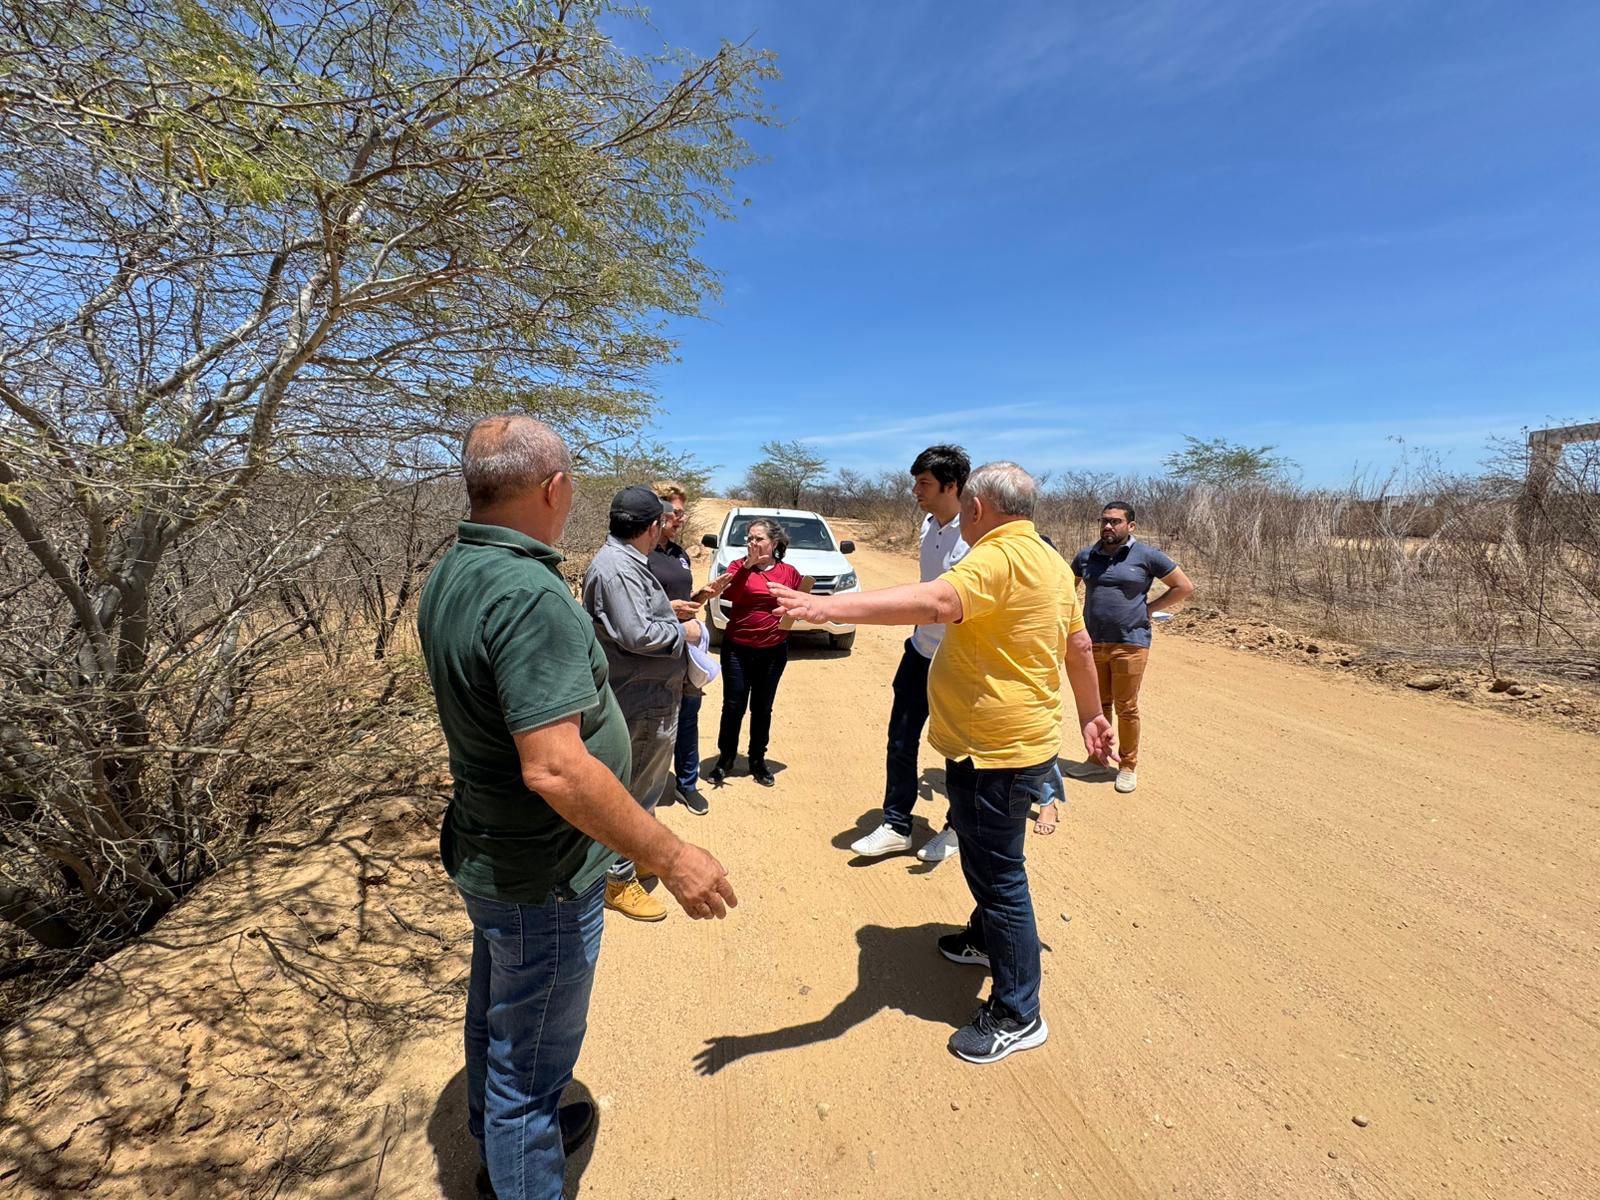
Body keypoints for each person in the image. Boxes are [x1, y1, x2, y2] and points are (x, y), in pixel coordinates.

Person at [417, 415, 737, 1200]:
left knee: (498, 1012)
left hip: (493, 852)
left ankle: (495, 1144)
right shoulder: (528, 593)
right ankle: (519, 1162)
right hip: (546, 870)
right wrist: (672, 855)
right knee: (531, 1071)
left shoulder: (455, 568)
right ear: (556, 488)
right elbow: (557, 769)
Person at [770, 462, 1115, 1065]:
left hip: (994, 750)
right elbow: (1078, 644)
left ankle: (1018, 1012)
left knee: (1000, 878)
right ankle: (986, 942)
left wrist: (827, 608)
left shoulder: (995, 556)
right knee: (991, 859)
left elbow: (935, 600)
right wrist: (1091, 714)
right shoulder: (1052, 560)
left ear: (978, 507)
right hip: (1012, 742)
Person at [582, 485, 701, 921]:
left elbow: (628, 620)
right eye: (661, 523)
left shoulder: (624, 563)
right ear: (651, 527)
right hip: (640, 697)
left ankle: (637, 853)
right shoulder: (619, 569)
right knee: (635, 790)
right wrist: (682, 633)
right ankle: (617, 877)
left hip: (647, 693)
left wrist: (666, 609)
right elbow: (637, 636)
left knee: (644, 782)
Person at [849, 444, 971, 863]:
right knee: (901, 739)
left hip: (958, 659)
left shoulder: (976, 532)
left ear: (951, 486)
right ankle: (897, 824)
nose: (915, 491)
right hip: (920, 651)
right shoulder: (926, 525)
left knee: (957, 748)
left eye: (924, 484)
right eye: (915, 482)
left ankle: (957, 827)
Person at [1070, 501, 1195, 795]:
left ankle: (1127, 765)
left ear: (1131, 526)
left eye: (1115, 521)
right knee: (1098, 706)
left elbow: (1183, 586)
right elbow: (1066, 588)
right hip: (1092, 642)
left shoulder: (1147, 556)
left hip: (1130, 642)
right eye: (1104, 521)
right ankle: (1097, 759)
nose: (1108, 527)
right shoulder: (1086, 556)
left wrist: (1149, 609)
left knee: (1126, 707)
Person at [709, 518, 803, 788]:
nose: (752, 543)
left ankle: (757, 760)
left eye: (758, 539)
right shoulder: (738, 567)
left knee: (762, 707)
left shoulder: (789, 572)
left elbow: (797, 601)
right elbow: (732, 596)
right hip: (737, 647)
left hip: (773, 649)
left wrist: (790, 614)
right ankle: (726, 758)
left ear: (773, 543)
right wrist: (747, 567)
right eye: (749, 538)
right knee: (734, 705)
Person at [647, 480, 711, 817]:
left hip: (685, 652)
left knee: (688, 718)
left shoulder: (679, 553)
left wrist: (703, 596)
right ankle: (647, 788)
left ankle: (688, 784)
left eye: (683, 514)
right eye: (677, 514)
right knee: (654, 726)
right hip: (654, 653)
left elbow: (683, 602)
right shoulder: (640, 553)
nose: (681, 520)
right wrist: (669, 612)